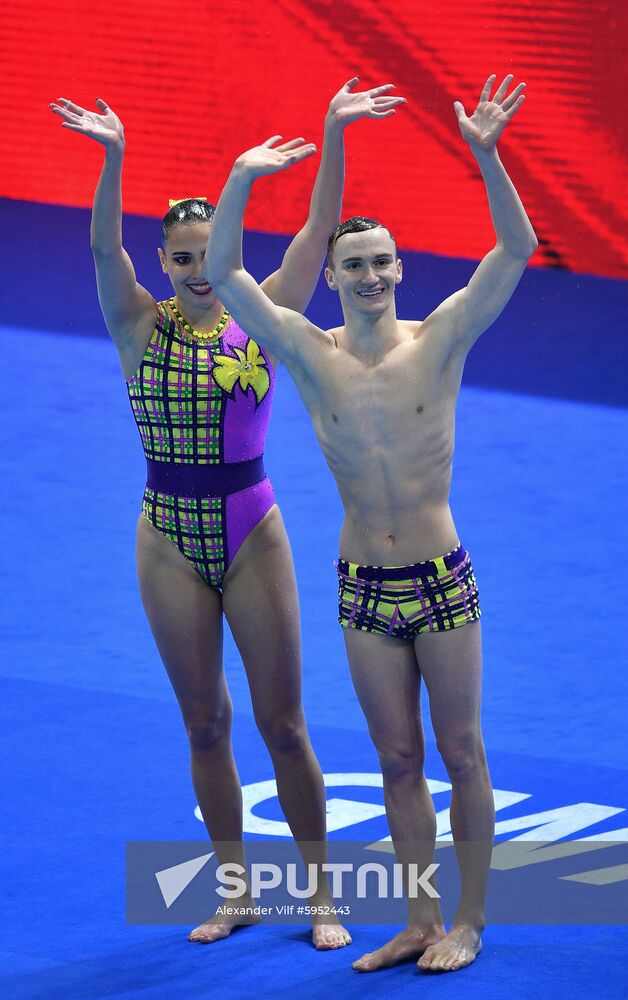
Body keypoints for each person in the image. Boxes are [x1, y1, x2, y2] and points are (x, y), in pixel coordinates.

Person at [48, 77, 405, 950]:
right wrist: (115, 158)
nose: (199, 270)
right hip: (166, 535)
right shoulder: (136, 326)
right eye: (181, 258)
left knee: (284, 724)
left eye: (211, 254)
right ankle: (238, 886)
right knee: (204, 721)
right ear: (164, 263)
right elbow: (102, 253)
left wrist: (332, 130)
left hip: (253, 529)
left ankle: (318, 895)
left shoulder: (261, 310)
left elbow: (320, 234)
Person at [204, 73, 538, 972]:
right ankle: (421, 920)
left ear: (401, 269)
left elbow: (516, 246)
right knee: (396, 758)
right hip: (362, 587)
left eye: (383, 262)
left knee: (461, 752)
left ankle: (469, 921)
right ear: (337, 278)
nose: (371, 275)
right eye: (354, 265)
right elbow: (229, 272)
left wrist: (487, 151)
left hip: (441, 579)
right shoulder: (306, 354)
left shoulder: (442, 337)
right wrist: (240, 176)